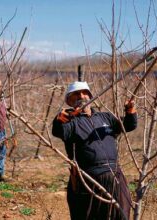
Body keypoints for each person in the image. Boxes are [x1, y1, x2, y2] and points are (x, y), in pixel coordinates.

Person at [52, 81, 137, 220]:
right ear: (69, 100)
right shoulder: (70, 122)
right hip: (87, 179)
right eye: (76, 94)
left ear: (90, 96)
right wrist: (59, 120)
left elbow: (129, 125)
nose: (81, 96)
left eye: (84, 92)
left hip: (114, 175)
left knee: (121, 215)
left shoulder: (106, 117)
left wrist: (130, 110)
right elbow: (58, 131)